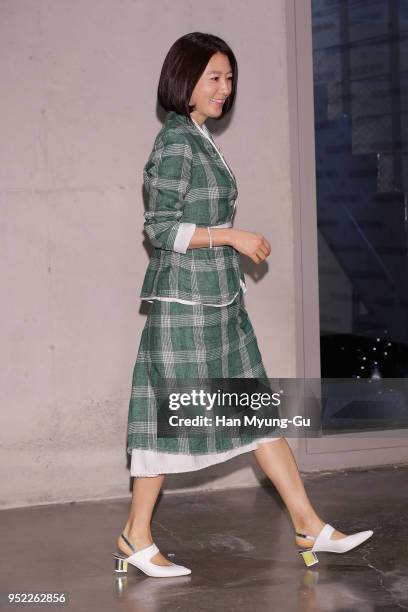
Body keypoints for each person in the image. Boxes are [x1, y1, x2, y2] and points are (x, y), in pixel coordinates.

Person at [113, 32, 373, 578]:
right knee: (170, 420)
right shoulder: (176, 143)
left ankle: (307, 522)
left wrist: (230, 247)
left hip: (220, 302)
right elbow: (159, 229)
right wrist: (231, 237)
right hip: (184, 306)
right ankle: (136, 535)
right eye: (214, 77)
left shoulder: (200, 139)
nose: (225, 89)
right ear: (185, 80)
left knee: (257, 410)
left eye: (229, 78)